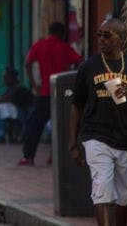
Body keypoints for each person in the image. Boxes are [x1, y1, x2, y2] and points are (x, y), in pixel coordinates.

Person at [71, 18, 127, 226]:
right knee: (102, 188)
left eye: (107, 35)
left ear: (121, 39)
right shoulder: (88, 67)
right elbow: (77, 104)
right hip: (96, 136)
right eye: (99, 34)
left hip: (126, 136)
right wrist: (74, 142)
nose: (101, 39)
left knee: (124, 195)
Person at [20, 21, 82, 166]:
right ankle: (54, 156)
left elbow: (27, 63)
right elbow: (80, 62)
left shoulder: (40, 45)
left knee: (35, 125)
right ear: (61, 33)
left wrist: (35, 84)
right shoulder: (65, 47)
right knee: (62, 126)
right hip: (61, 93)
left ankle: (28, 156)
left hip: (44, 92)